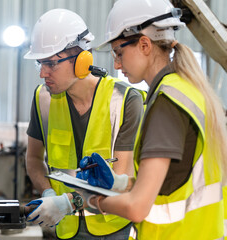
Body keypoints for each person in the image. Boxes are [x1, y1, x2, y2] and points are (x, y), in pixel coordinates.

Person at [77, 0, 227, 239]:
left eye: (119, 52)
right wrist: (120, 183)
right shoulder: (188, 90)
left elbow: (137, 208)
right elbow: (171, 182)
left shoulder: (168, 103)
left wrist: (93, 202)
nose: (116, 63)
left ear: (144, 44)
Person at [23, 8, 144, 239]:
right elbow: (33, 159)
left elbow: (121, 175)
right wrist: (48, 192)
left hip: (111, 226)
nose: (43, 74)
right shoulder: (43, 99)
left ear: (82, 60)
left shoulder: (125, 99)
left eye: (51, 64)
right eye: (40, 64)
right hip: (64, 228)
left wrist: (69, 202)